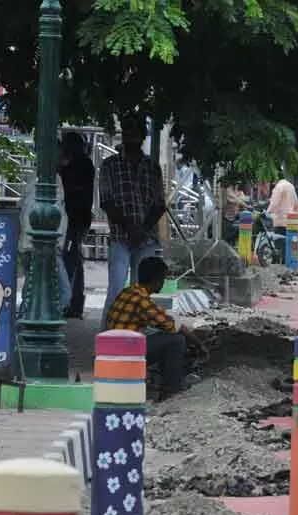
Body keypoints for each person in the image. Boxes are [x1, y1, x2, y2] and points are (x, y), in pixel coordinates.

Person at [99, 113, 166, 330]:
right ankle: (107, 340)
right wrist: (131, 229)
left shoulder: (152, 167)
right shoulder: (110, 165)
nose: (133, 137)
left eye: (136, 133)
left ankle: (138, 342)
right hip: (121, 236)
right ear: (124, 135)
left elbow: (159, 204)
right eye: (129, 132)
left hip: (146, 238)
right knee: (116, 292)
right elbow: (107, 202)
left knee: (143, 295)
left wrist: (141, 230)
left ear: (143, 136)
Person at [106, 257, 208, 399]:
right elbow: (172, 326)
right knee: (176, 341)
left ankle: (159, 380)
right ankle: (171, 390)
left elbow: (157, 319)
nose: (163, 283)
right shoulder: (141, 299)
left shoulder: (128, 292)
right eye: (163, 279)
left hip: (110, 350)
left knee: (162, 336)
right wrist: (199, 344)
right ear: (156, 279)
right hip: (125, 354)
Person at [59, 131, 95, 318]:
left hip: (74, 219)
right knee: (74, 259)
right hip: (77, 219)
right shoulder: (83, 164)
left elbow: (70, 189)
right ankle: (75, 302)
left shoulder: (80, 165)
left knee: (69, 260)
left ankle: (69, 302)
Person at [266, 179, 298, 260]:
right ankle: (286, 261)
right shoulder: (291, 186)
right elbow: (296, 204)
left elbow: (274, 203)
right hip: (291, 221)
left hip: (280, 220)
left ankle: (277, 261)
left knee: (279, 244)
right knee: (288, 243)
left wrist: (267, 213)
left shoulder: (279, 187)